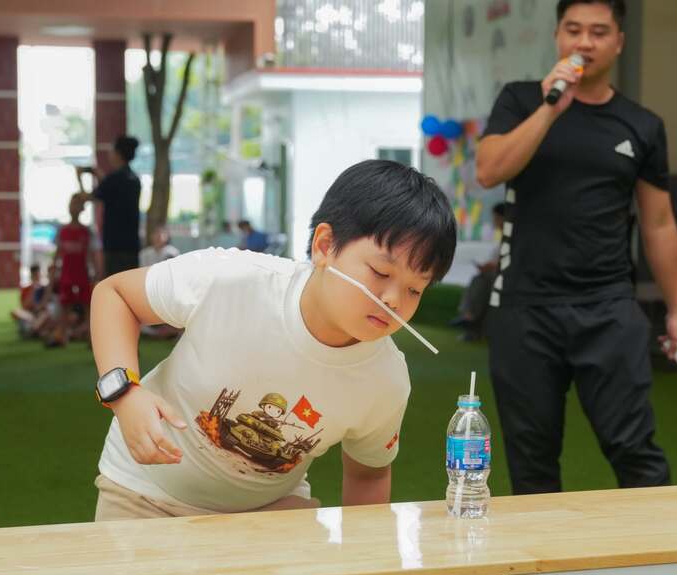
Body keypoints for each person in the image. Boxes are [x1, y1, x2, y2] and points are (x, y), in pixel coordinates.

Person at [89, 159, 456, 520]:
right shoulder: (230, 279)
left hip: (270, 511)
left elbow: (368, 475)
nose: (394, 301)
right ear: (325, 245)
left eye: (415, 289)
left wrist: (363, 552)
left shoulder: (385, 379)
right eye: (380, 272)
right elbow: (115, 295)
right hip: (143, 492)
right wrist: (125, 394)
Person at [476, 0, 677, 546]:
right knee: (532, 462)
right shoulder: (521, 100)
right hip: (524, 308)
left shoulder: (642, 124)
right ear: (557, 36)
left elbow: (659, 223)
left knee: (635, 450)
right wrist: (552, 108)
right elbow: (489, 170)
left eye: (599, 32)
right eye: (574, 30)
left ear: (619, 42)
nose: (585, 42)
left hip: (607, 307)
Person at [77, 135, 141, 278]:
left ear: (118, 154)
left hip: (115, 246)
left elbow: (87, 197)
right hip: (131, 246)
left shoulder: (114, 180)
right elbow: (109, 189)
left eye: (112, 150)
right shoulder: (134, 179)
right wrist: (96, 173)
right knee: (130, 284)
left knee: (115, 284)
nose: (109, 154)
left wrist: (79, 177)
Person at [450, 203, 506, 341]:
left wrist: (492, 267)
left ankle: (469, 317)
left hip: (503, 279)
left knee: (481, 282)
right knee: (479, 280)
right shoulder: (502, 241)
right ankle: (470, 319)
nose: (494, 221)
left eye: (496, 218)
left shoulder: (512, 240)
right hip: (493, 277)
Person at [48, 195, 97, 347]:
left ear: (82, 209)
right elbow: (57, 254)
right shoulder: (62, 231)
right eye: (72, 204)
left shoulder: (86, 232)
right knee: (65, 306)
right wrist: (53, 272)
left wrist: (96, 274)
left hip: (82, 275)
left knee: (88, 306)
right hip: (66, 275)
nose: (74, 208)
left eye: (77, 204)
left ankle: (92, 338)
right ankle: (61, 337)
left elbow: (91, 254)